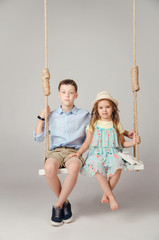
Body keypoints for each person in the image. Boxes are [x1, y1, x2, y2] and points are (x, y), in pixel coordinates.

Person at [34, 81, 135, 226]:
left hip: (75, 151)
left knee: (74, 167)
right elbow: (39, 138)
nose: (67, 95)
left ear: (76, 95)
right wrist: (41, 117)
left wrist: (125, 133)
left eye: (70, 92)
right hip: (56, 151)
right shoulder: (52, 115)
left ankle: (57, 206)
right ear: (58, 94)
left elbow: (104, 122)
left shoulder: (85, 115)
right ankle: (64, 202)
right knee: (49, 169)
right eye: (63, 92)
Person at [69, 91, 140, 211]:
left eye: (107, 107)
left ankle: (106, 193)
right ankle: (111, 196)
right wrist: (79, 153)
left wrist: (133, 142)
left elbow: (122, 142)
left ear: (113, 108)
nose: (104, 110)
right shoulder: (94, 124)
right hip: (97, 153)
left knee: (118, 165)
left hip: (113, 152)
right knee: (97, 166)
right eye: (101, 107)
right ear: (97, 110)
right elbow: (87, 142)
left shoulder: (116, 124)